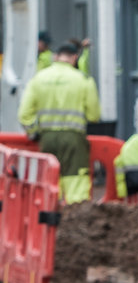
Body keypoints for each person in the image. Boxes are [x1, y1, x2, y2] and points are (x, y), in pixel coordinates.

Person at [19, 43, 101, 204]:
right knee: (76, 186)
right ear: (75, 58)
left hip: (47, 139)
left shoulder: (38, 78)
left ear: (56, 57)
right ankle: (75, 222)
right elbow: (94, 115)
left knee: (49, 182)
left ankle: (48, 221)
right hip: (74, 140)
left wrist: (33, 132)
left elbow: (24, 115)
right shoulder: (83, 79)